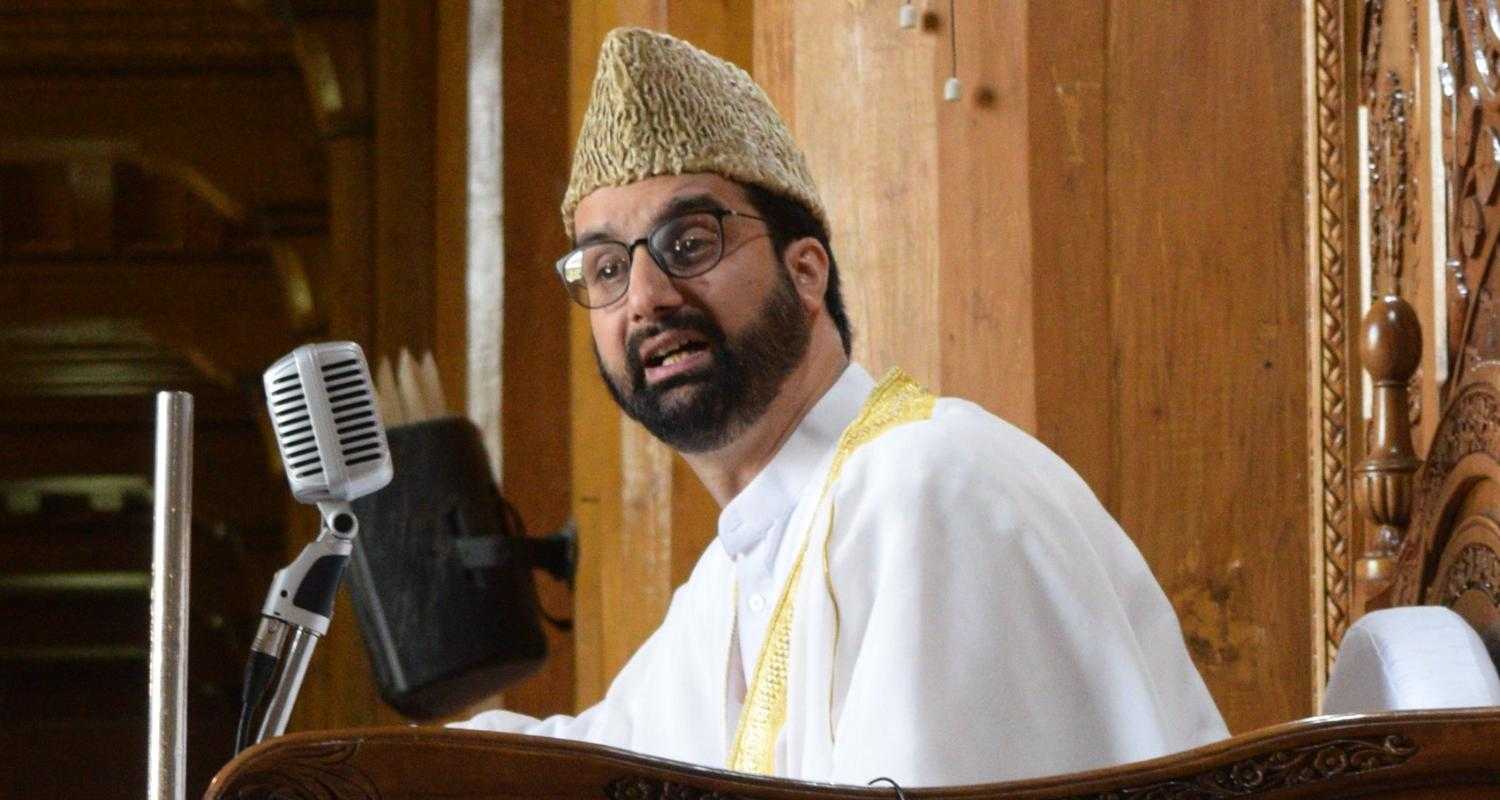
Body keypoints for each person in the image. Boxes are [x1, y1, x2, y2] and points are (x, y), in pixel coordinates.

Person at [456, 26, 1227, 785]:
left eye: (689, 244)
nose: (647, 298)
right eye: (606, 269)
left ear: (807, 271)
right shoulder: (734, 575)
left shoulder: (923, 488)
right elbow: (586, 763)